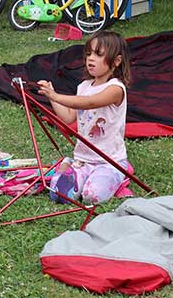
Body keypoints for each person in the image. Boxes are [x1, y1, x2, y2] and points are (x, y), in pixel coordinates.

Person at [36, 31, 131, 205]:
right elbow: (68, 117)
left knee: (92, 196)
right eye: (89, 54)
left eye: (99, 54)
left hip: (109, 162)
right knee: (58, 195)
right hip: (83, 160)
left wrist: (57, 97)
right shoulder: (84, 86)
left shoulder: (116, 89)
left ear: (116, 61)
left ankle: (121, 175)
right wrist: (52, 95)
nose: (91, 59)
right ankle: (69, 165)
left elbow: (89, 103)